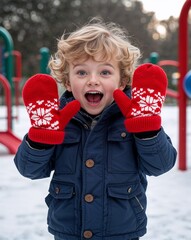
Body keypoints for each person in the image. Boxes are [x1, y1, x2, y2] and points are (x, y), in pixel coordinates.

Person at [14, 18, 177, 240]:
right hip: (69, 233)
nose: (93, 81)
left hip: (121, 232)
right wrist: (41, 138)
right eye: (81, 73)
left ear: (121, 81)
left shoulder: (137, 118)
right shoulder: (54, 121)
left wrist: (147, 131)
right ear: (68, 82)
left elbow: (160, 165)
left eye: (105, 72)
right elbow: (29, 170)